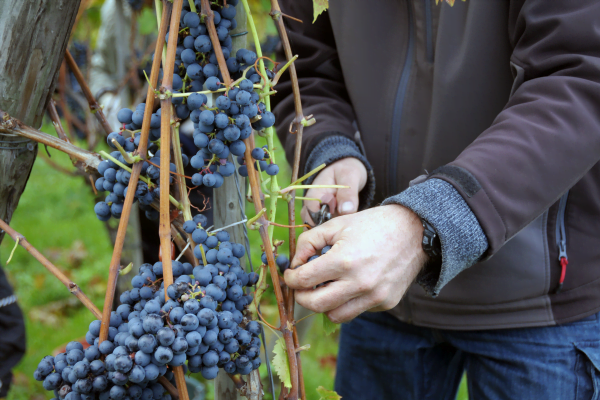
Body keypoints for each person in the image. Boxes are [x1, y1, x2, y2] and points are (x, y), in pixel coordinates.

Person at [272, 1, 600, 399]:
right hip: (378, 285)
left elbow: (581, 79)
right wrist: (330, 148)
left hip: (539, 305)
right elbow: (303, 64)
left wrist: (425, 225)